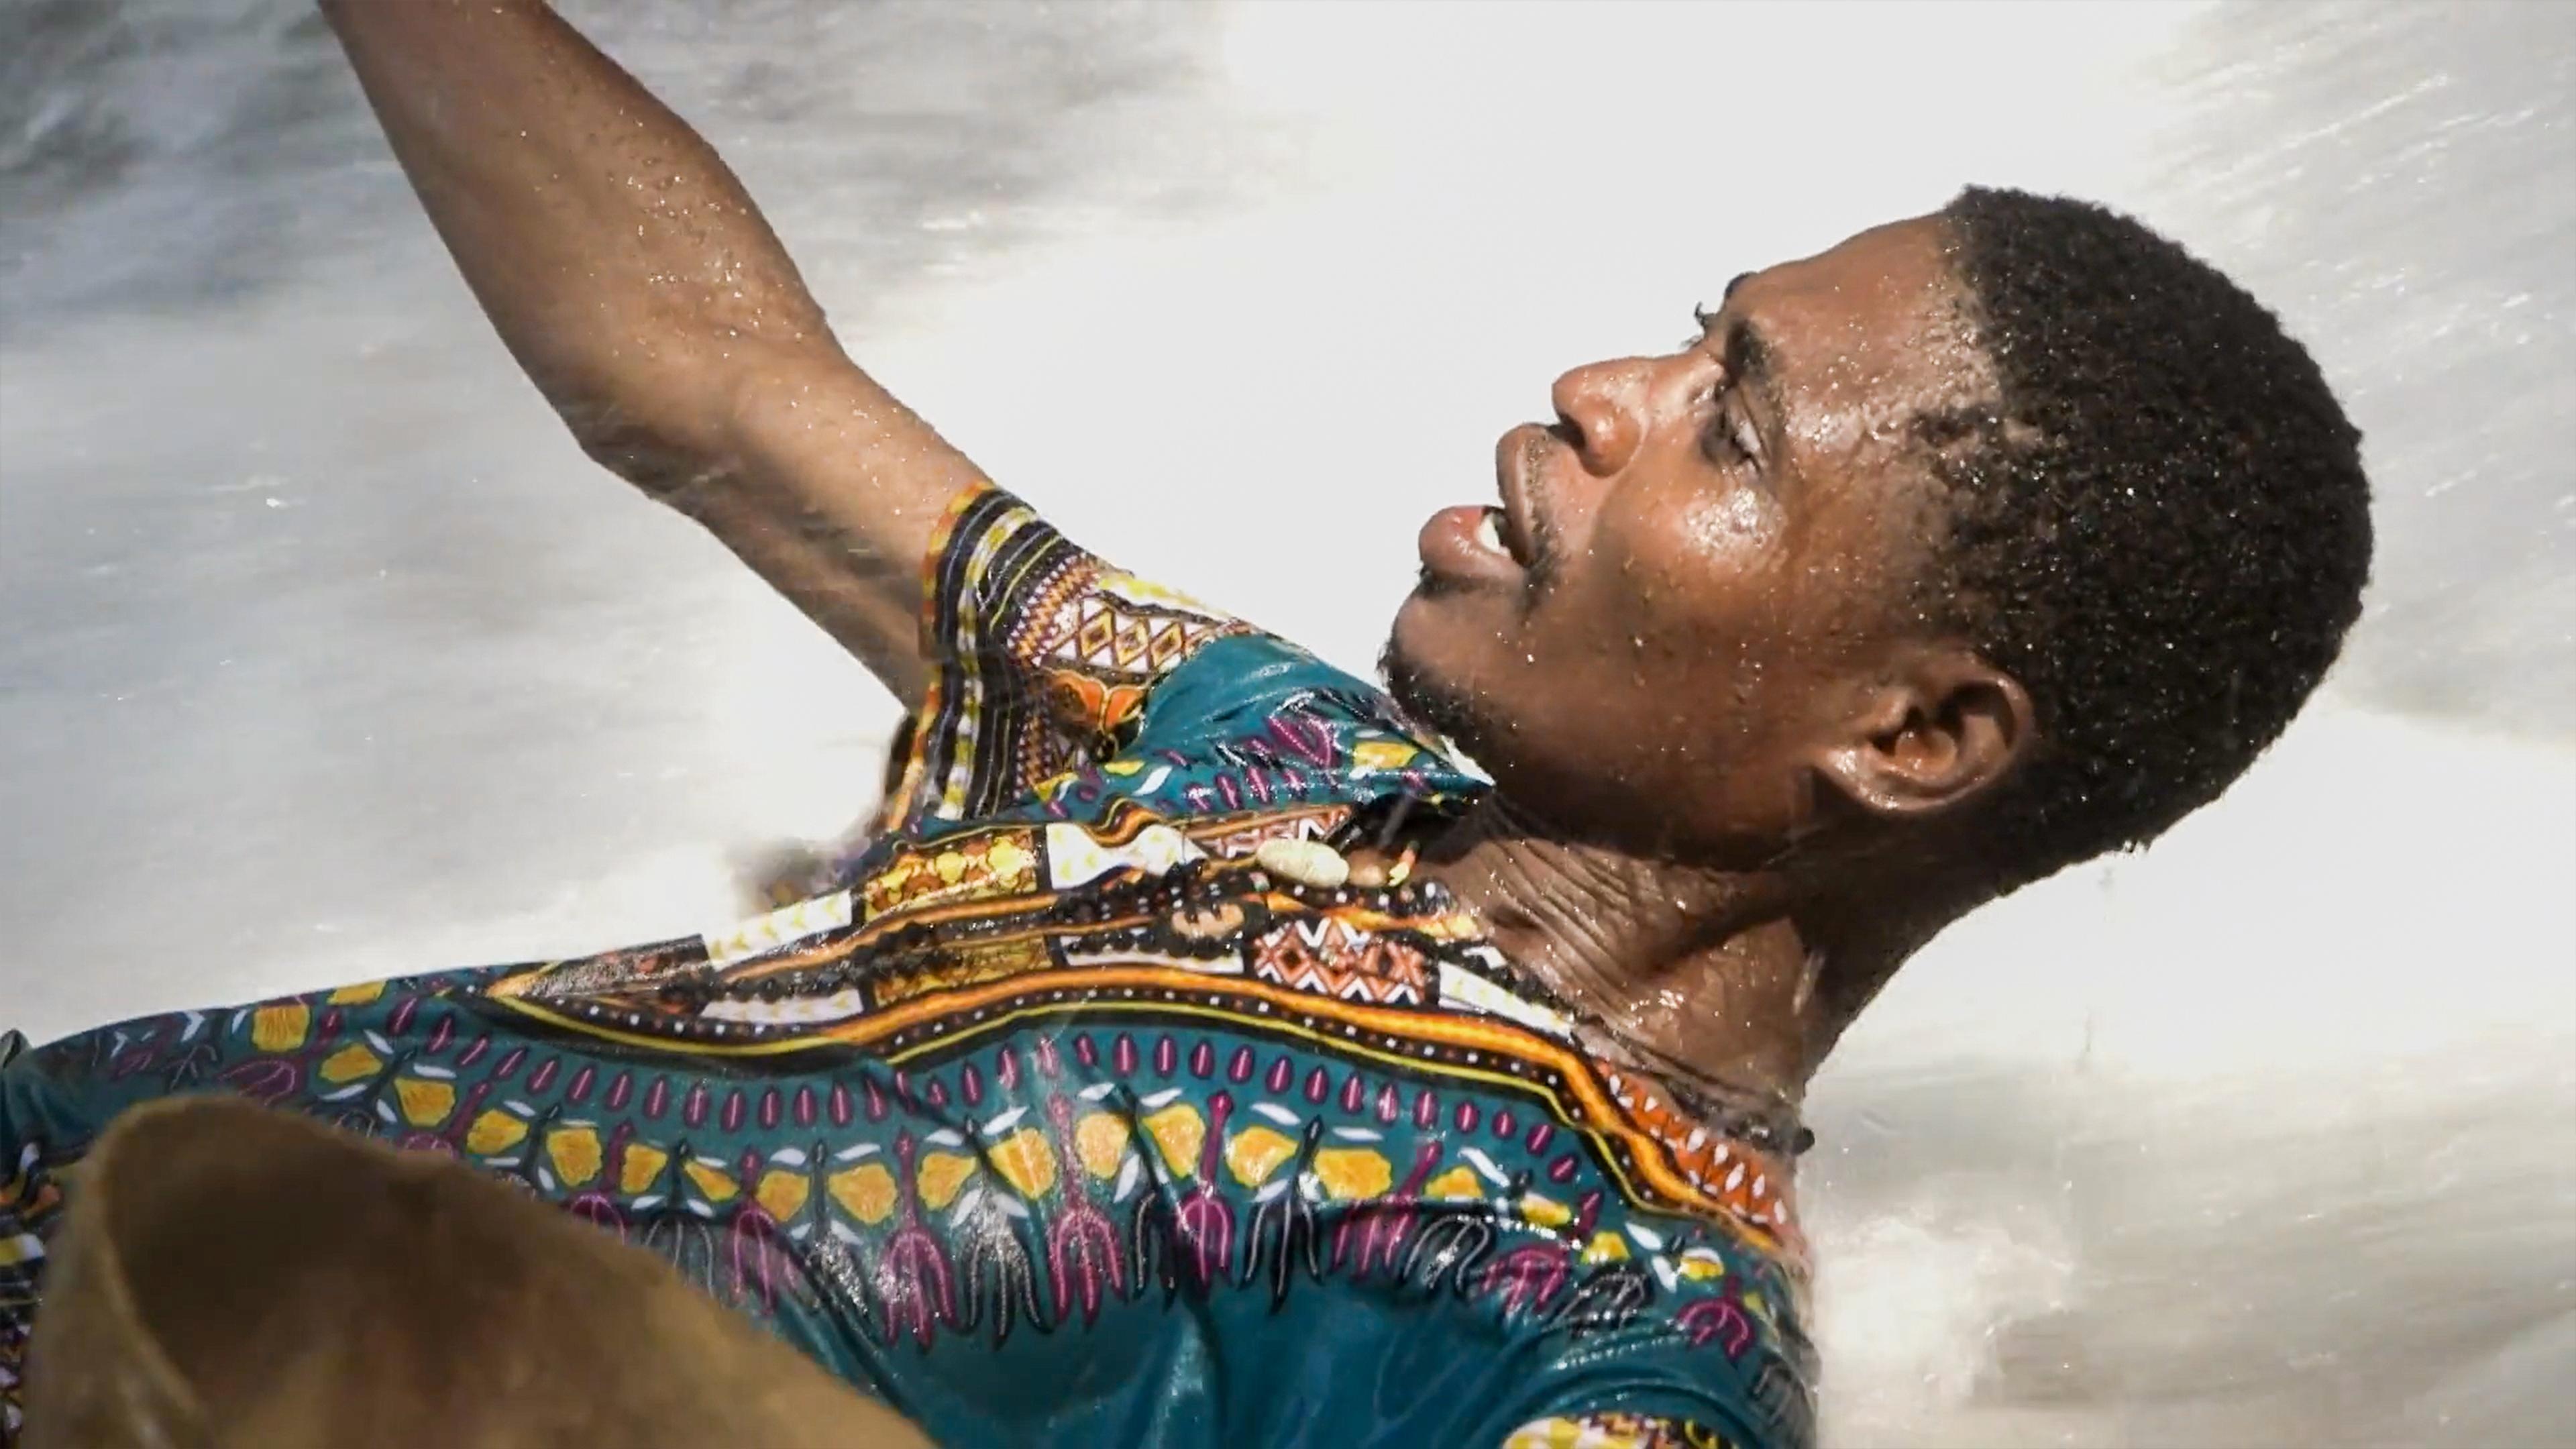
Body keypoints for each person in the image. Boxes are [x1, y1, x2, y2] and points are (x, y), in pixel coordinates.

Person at [0, 2, 2373, 1446]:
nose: (1603, 391)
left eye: (1733, 429)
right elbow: (713, 387)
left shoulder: (1596, 1354)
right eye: (1689, 332)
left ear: (1919, 737)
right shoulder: (1254, 747)